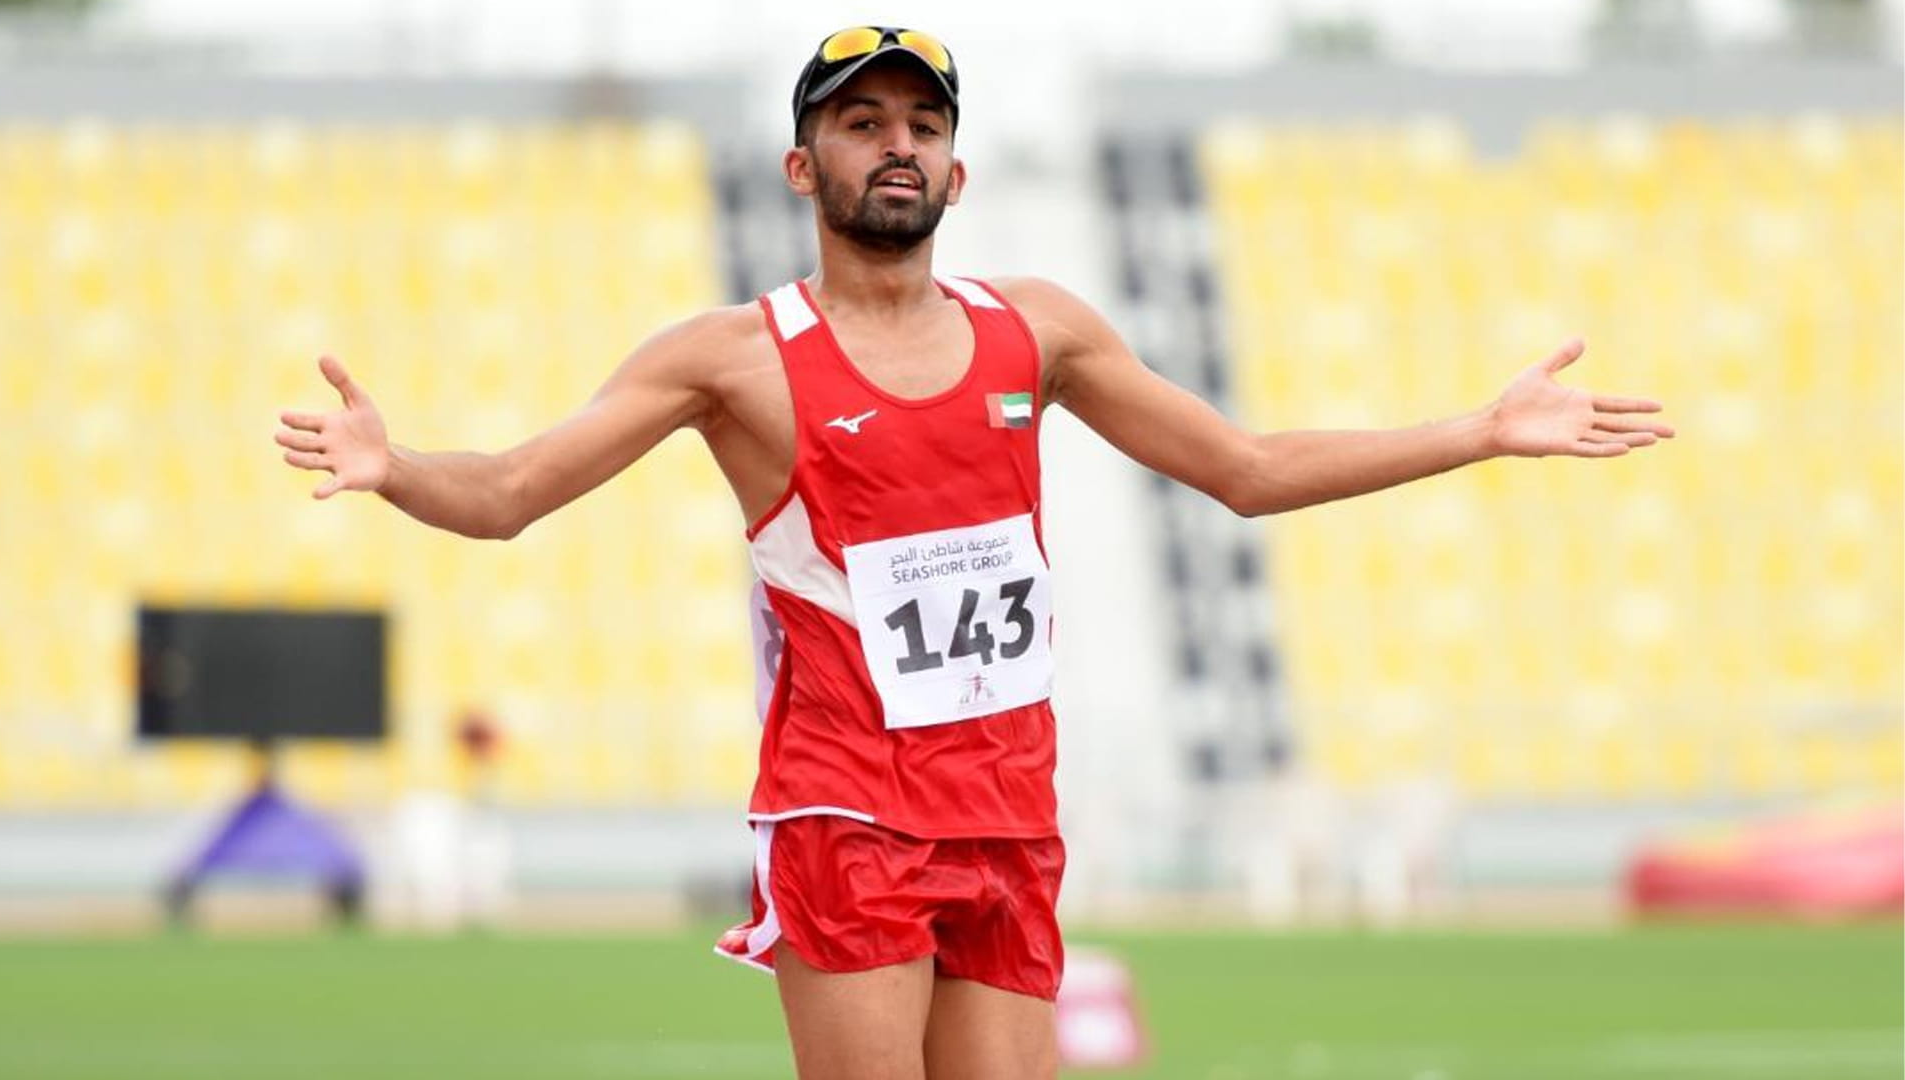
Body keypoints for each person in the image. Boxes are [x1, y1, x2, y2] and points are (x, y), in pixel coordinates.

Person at [273, 25, 1674, 1080]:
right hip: (848, 815)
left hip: (1009, 813)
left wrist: (1479, 431)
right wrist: (396, 471)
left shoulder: (1037, 330)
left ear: (958, 162)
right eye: (863, 119)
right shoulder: (735, 359)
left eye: (924, 122)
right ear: (801, 162)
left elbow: (1243, 473)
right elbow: (514, 490)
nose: (898, 143)